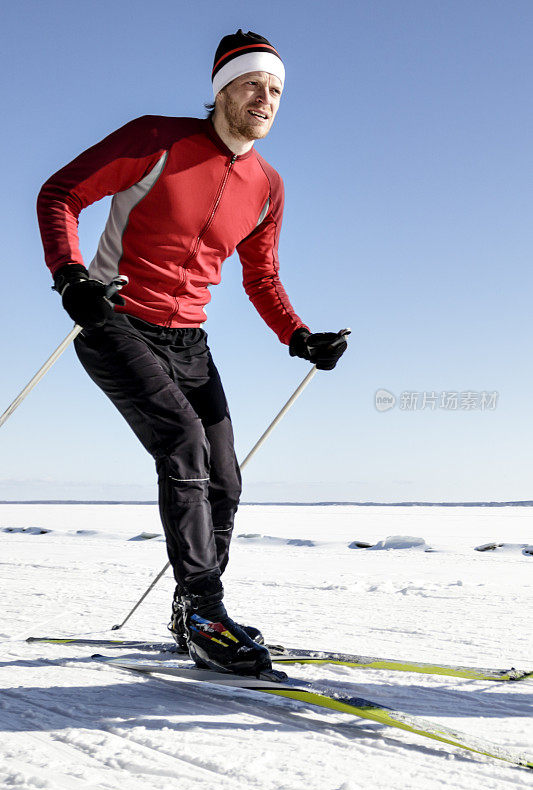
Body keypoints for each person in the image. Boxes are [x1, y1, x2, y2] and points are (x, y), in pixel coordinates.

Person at [37, 29, 347, 675]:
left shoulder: (266, 185)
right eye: (252, 85)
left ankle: (193, 609)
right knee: (183, 443)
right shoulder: (159, 139)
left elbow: (260, 276)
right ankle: (207, 611)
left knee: (225, 480)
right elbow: (61, 194)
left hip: (190, 343)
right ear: (221, 91)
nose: (265, 98)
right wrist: (72, 277)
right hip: (115, 320)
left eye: (276, 90)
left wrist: (298, 335)